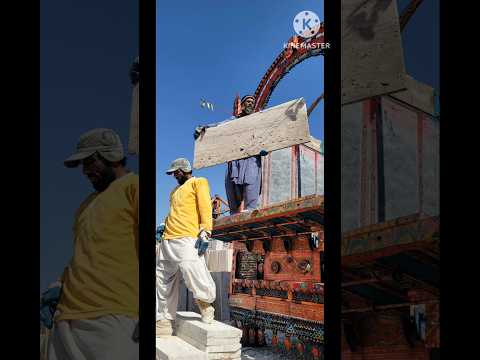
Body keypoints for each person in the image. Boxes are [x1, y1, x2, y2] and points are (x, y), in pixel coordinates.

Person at [46, 128, 139, 360]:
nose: (85, 170)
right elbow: (83, 253)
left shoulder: (134, 187)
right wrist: (58, 284)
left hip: (113, 317)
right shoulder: (85, 205)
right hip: (65, 321)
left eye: (90, 161)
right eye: (82, 165)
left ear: (111, 155)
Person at [156, 158, 216, 337]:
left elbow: (205, 207)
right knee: (163, 280)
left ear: (183, 170)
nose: (174, 176)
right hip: (168, 239)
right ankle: (163, 321)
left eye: (176, 172)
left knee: (192, 270)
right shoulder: (174, 191)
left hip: (187, 237)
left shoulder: (199, 182)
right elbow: (175, 212)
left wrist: (206, 231)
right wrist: (163, 224)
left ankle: (205, 305)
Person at [225, 95, 263, 214]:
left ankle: (251, 213)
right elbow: (220, 126)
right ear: (242, 105)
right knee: (233, 191)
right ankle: (233, 216)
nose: (251, 103)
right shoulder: (234, 120)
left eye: (252, 102)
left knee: (251, 188)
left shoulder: (259, 121)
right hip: (236, 160)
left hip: (252, 160)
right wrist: (205, 128)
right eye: (248, 101)